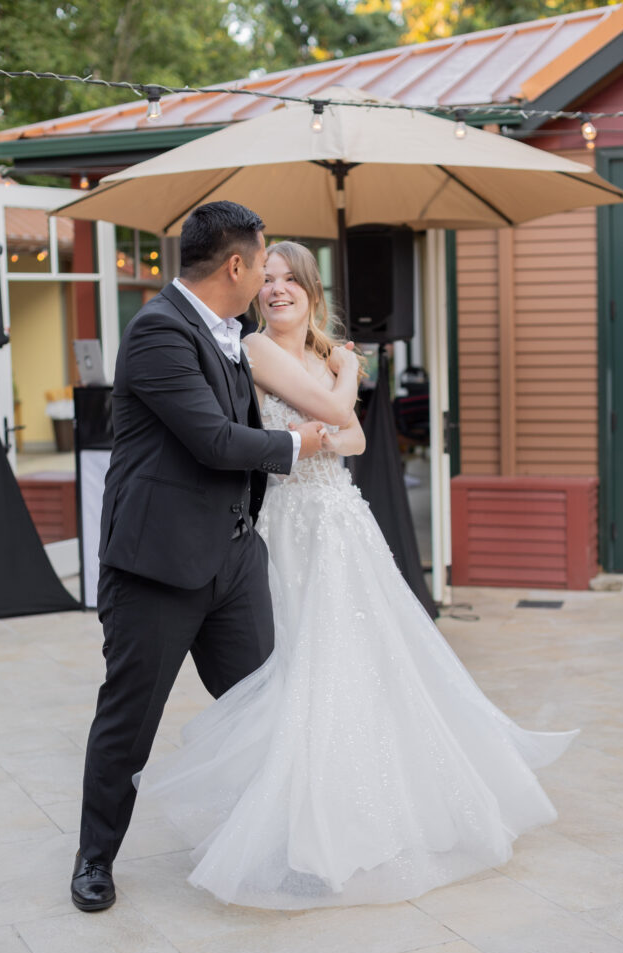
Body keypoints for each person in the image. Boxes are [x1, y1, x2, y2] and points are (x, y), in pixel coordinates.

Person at [136, 241, 578, 910]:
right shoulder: (257, 352)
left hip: (342, 520)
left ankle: (369, 807)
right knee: (299, 664)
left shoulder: (320, 353)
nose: (277, 289)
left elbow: (357, 442)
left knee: (367, 662)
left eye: (290, 279)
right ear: (254, 288)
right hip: (287, 521)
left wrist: (332, 395)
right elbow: (340, 416)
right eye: (269, 279)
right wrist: (345, 378)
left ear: (311, 289)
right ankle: (299, 822)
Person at [70, 206, 359, 912]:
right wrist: (309, 444)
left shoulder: (230, 335)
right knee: (129, 719)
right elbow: (215, 442)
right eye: (262, 262)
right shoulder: (159, 331)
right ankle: (93, 860)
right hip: (158, 566)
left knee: (263, 711)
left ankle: (273, 849)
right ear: (235, 266)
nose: (267, 275)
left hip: (233, 560)